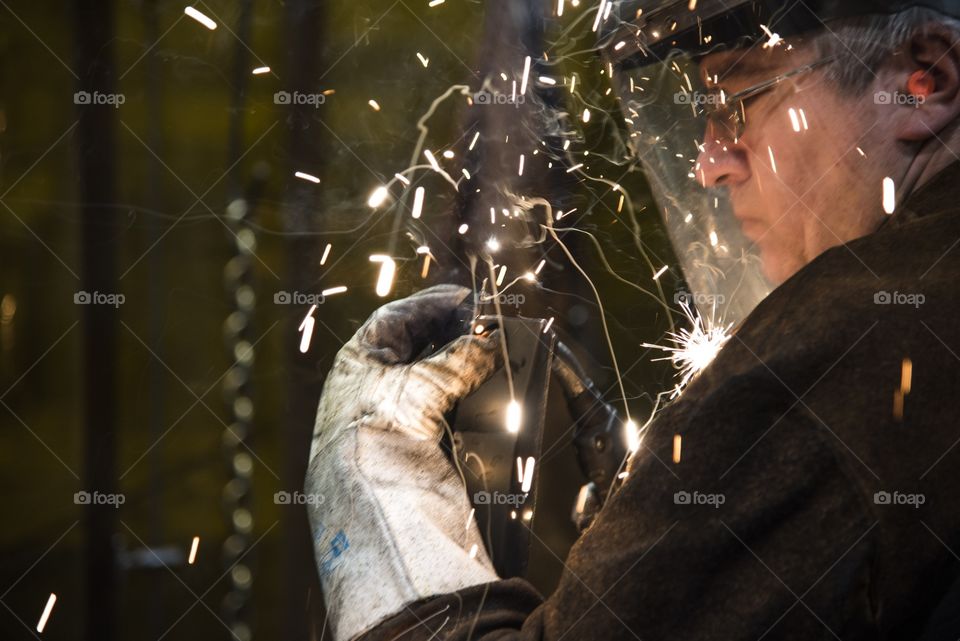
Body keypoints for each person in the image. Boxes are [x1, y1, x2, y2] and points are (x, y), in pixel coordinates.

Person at [306, 1, 960, 639]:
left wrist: (377, 480)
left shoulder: (830, 358)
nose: (709, 164)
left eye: (737, 100)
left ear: (923, 79)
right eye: (704, 113)